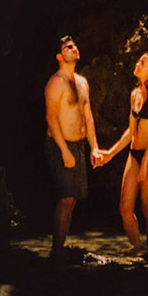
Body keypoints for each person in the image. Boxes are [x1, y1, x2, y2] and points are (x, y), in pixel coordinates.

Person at [96, 50, 148, 260]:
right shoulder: (135, 94)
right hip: (134, 153)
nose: (137, 64)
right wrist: (110, 153)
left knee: (147, 206)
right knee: (125, 208)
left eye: (142, 62)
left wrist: (145, 163)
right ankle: (136, 247)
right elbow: (131, 131)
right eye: (138, 61)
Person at [42, 35, 99, 261]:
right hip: (60, 145)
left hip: (79, 145)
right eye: (68, 47)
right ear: (59, 56)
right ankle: (56, 251)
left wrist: (94, 148)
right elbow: (51, 118)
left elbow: (88, 117)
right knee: (66, 198)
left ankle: (60, 248)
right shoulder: (56, 82)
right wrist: (64, 151)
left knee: (72, 198)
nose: (74, 48)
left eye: (75, 45)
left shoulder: (82, 82)